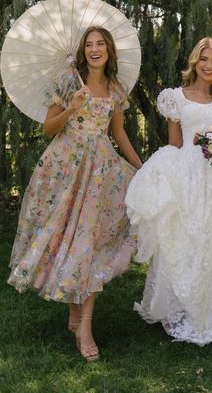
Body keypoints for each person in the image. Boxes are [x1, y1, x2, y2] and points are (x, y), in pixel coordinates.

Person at [8, 26, 142, 362]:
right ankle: (74, 308)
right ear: (82, 51)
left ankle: (84, 325)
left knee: (89, 240)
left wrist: (142, 168)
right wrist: (72, 106)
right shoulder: (67, 83)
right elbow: (48, 129)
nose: (95, 50)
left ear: (109, 51)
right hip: (65, 167)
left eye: (101, 44)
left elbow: (119, 132)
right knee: (67, 235)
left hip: (100, 172)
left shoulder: (115, 88)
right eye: (89, 45)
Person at [125, 37, 212, 345]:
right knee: (188, 238)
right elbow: (175, 143)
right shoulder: (177, 98)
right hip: (189, 174)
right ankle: (185, 306)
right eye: (204, 59)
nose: (209, 65)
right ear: (194, 62)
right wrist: (165, 174)